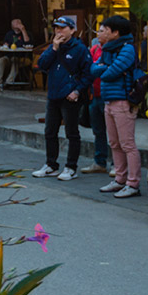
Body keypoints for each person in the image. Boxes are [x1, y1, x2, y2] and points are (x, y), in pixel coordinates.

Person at [30, 17, 92, 181]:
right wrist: (54, 47)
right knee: (50, 131)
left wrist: (77, 91)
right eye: (56, 28)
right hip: (53, 95)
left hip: (70, 96)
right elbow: (42, 64)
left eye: (63, 28)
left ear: (72, 30)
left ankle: (71, 167)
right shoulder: (53, 47)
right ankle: (51, 165)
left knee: (72, 132)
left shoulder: (80, 49)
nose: (58, 31)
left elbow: (88, 74)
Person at [90, 15, 142, 198]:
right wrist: (104, 67)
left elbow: (109, 73)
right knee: (114, 143)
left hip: (123, 100)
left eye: (105, 29)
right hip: (109, 100)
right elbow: (93, 69)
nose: (101, 32)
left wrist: (104, 67)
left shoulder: (127, 49)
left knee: (128, 144)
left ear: (116, 32)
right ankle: (120, 180)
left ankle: (133, 183)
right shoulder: (107, 49)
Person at [81, 29, 111, 175]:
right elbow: (90, 69)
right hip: (95, 95)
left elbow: (106, 70)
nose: (98, 34)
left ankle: (118, 165)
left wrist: (98, 69)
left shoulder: (114, 50)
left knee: (115, 133)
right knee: (98, 131)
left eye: (102, 31)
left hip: (109, 95)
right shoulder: (94, 49)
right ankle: (100, 162)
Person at [0, 18, 32, 90]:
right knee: (1, 60)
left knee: (15, 60)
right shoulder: (9, 34)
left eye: (19, 22)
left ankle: (8, 82)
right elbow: (6, 44)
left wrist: (23, 30)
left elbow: (28, 43)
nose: (18, 24)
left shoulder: (27, 33)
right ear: (12, 26)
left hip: (24, 58)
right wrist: (5, 45)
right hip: (10, 57)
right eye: (16, 23)